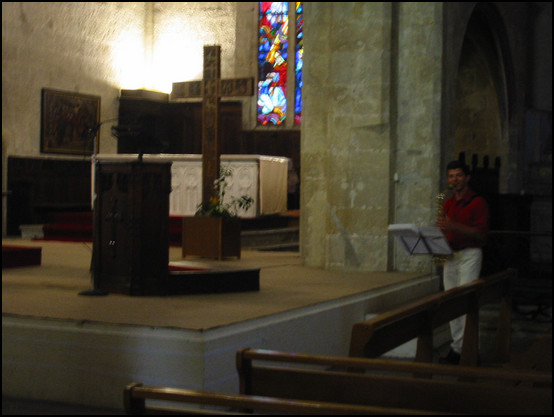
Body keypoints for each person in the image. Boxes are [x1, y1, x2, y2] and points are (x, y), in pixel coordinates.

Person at [437, 160, 489, 365]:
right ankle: (457, 349)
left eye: (458, 175)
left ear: (467, 178)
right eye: (451, 176)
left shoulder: (478, 202)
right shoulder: (448, 202)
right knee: (452, 304)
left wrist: (453, 226)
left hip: (469, 254)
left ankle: (470, 350)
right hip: (451, 256)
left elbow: (481, 233)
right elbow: (445, 229)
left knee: (466, 302)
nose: (454, 179)